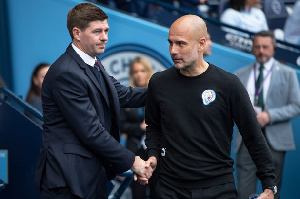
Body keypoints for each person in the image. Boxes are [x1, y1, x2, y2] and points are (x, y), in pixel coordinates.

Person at [142, 14, 277, 199]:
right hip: (169, 189)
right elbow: (154, 127)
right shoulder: (159, 82)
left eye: (181, 44)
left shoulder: (228, 84)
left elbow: (252, 135)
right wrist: (153, 155)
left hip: (218, 189)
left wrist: (269, 186)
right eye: (170, 43)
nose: (173, 50)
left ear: (201, 44)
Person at [35, 3, 153, 199]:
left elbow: (124, 94)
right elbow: (91, 131)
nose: (105, 37)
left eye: (106, 30)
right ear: (77, 33)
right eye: (97, 31)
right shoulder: (66, 73)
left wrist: (166, 87)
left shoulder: (93, 63)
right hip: (68, 181)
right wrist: (134, 162)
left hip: (88, 176)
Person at [234, 30, 300, 199]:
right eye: (257, 47)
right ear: (252, 48)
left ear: (274, 48)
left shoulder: (288, 73)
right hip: (246, 141)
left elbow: (296, 105)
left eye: (265, 47)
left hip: (275, 142)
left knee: (272, 193)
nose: (261, 51)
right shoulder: (240, 74)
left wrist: (269, 115)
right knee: (244, 191)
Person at [120, 56, 153, 199]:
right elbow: (121, 125)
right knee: (137, 194)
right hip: (135, 151)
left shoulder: (157, 93)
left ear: (148, 71)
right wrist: (140, 127)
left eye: (142, 70)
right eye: (135, 71)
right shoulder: (127, 95)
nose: (139, 74)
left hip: (155, 151)